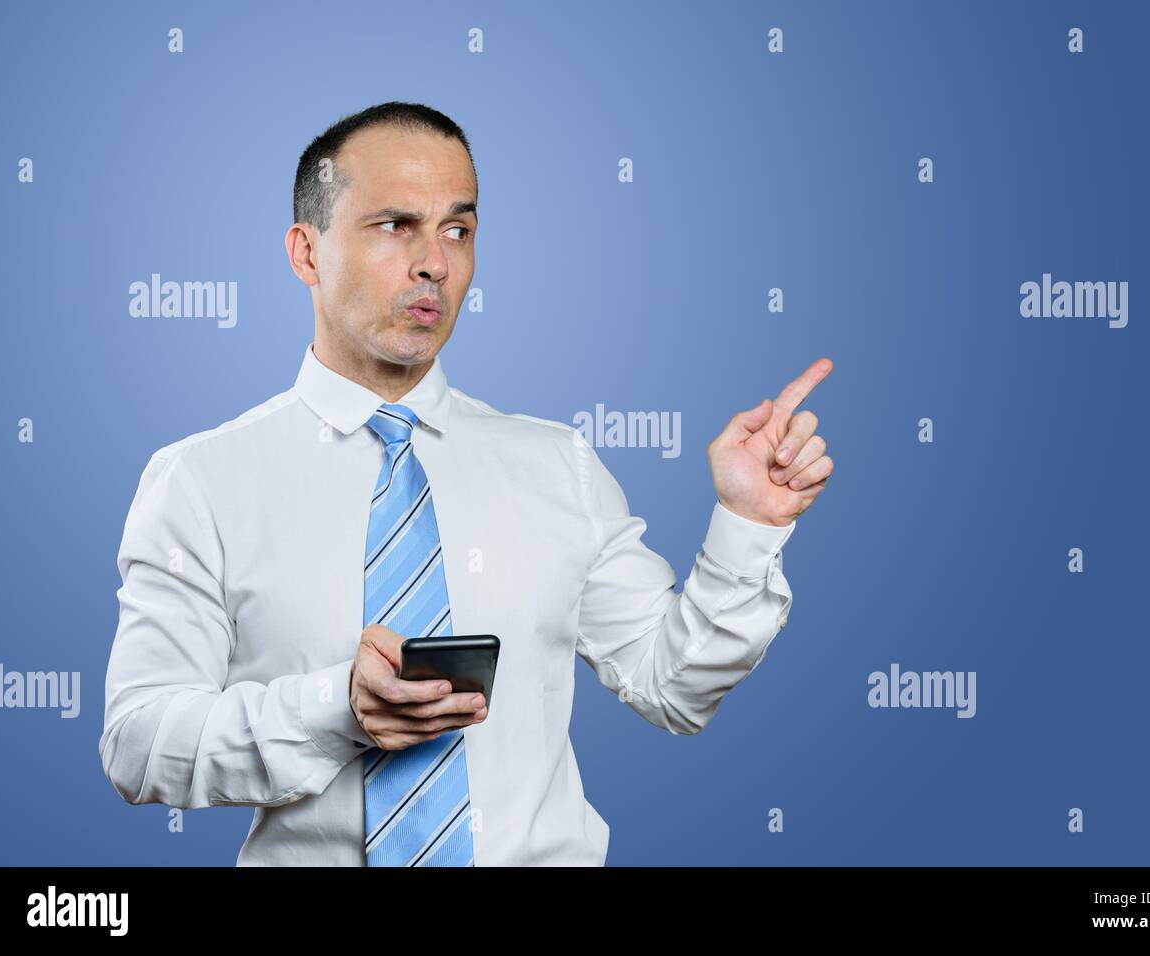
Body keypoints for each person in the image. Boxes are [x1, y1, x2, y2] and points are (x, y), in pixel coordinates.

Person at [98, 102, 834, 866]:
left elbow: (673, 688)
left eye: (458, 230)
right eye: (395, 226)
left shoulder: (559, 466)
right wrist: (335, 708)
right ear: (306, 253)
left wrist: (747, 526)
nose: (436, 264)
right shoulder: (201, 481)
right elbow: (139, 745)